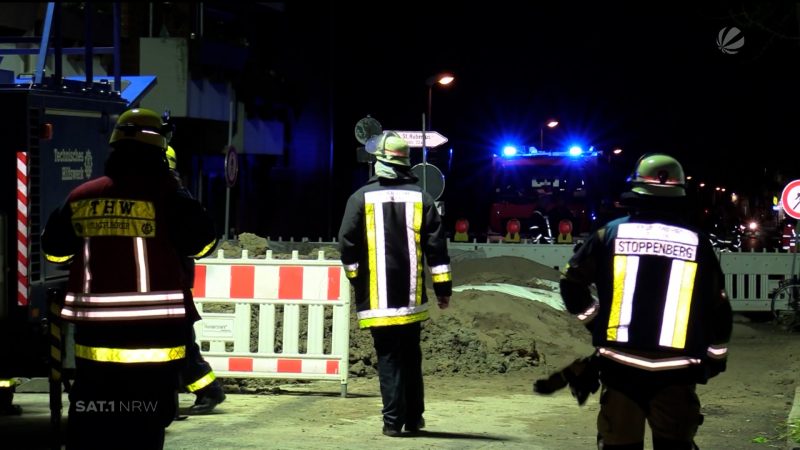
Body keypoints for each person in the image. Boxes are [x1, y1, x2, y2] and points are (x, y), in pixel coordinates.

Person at [41, 108, 218, 449]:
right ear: (159, 147)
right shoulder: (168, 195)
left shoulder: (82, 196)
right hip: (156, 340)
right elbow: (203, 243)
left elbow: (55, 253)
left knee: (94, 424)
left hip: (96, 345)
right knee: (144, 428)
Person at [558, 153, 733, 450]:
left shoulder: (608, 234)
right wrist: (715, 358)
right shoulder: (698, 242)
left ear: (635, 192)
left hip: (621, 368)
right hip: (677, 371)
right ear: (679, 196)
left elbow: (571, 284)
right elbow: (717, 308)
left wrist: (596, 322)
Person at [338, 131, 452, 437]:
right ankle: (414, 419)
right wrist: (443, 291)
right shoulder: (422, 198)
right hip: (412, 297)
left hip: (376, 299)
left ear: (379, 163)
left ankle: (392, 422)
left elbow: (347, 245)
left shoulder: (359, 198)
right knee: (411, 356)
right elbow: (438, 252)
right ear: (407, 165)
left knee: (388, 357)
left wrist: (356, 279)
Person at [166, 145, 226, 415]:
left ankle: (206, 391)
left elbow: (200, 242)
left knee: (179, 346)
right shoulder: (177, 194)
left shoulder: (172, 196)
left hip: (170, 283)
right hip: (172, 283)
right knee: (181, 344)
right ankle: (207, 390)